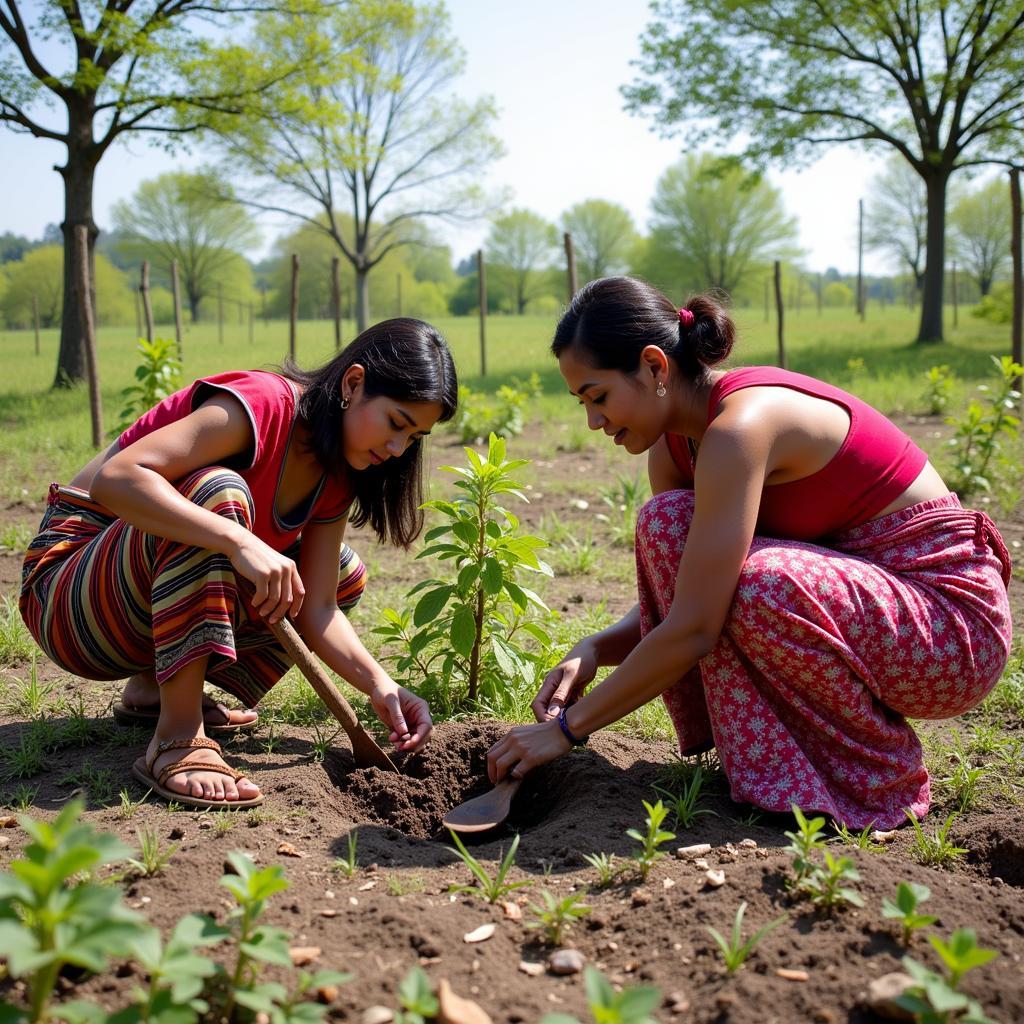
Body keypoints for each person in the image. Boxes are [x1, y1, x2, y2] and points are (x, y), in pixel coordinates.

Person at [486, 277, 1012, 830]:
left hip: (949, 628)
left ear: (655, 367)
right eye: (582, 403)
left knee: (763, 581)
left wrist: (566, 730)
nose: (593, 421)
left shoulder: (742, 428)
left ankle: (876, 782)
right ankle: (774, 767)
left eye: (598, 396)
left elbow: (695, 627)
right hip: (869, 606)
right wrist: (594, 647)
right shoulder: (673, 448)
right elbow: (695, 592)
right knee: (667, 526)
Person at [20, 318, 457, 810]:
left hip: (132, 611)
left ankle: (154, 691)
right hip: (68, 598)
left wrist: (382, 686)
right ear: (353, 384)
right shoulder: (264, 405)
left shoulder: (339, 468)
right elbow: (117, 479)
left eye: (414, 437)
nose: (399, 449)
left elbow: (319, 610)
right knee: (216, 498)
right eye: (397, 423)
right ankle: (177, 737)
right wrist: (237, 541)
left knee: (340, 572)